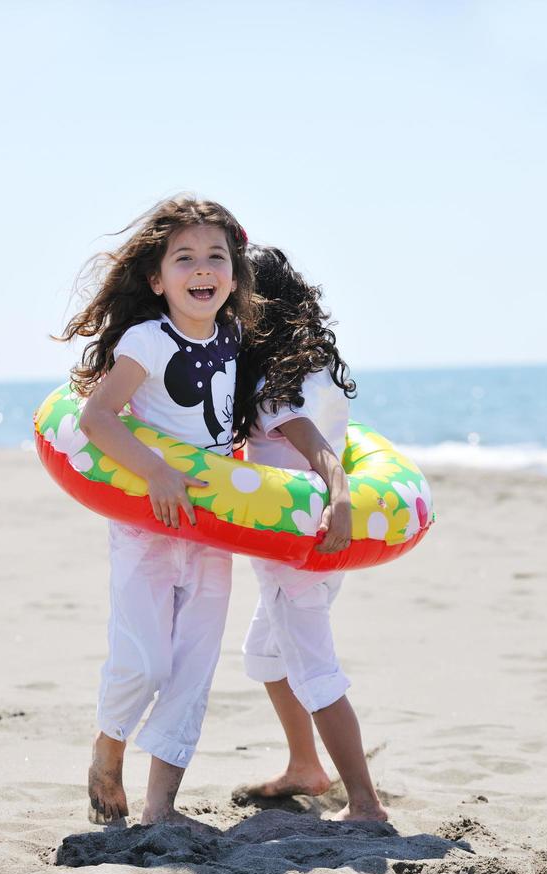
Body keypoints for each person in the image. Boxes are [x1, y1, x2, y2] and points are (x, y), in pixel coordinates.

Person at [60, 195, 253, 825]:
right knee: (144, 658)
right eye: (186, 258)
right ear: (157, 277)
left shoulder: (234, 339)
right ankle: (107, 749)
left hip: (210, 527)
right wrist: (158, 473)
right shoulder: (149, 337)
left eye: (216, 257)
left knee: (194, 667)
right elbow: (96, 418)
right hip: (149, 523)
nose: (203, 269)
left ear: (232, 272)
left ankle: (160, 808)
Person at [233, 246, 388, 822]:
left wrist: (341, 495)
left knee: (314, 670)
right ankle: (305, 766)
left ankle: (366, 804)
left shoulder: (273, 381)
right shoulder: (315, 366)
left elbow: (318, 448)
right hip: (322, 546)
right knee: (264, 655)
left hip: (296, 542)